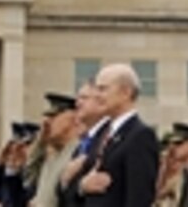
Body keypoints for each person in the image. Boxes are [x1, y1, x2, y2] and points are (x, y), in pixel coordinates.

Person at [76, 62, 159, 206]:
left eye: (103, 89)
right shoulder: (102, 134)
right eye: (96, 89)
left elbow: (139, 197)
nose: (96, 95)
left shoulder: (140, 136)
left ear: (125, 92)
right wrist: (82, 186)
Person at [32, 92, 82, 207]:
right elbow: (28, 177)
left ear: (73, 118)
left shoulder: (77, 154)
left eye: (54, 116)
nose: (46, 122)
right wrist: (41, 141)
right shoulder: (52, 155)